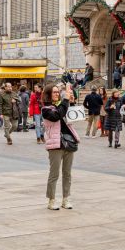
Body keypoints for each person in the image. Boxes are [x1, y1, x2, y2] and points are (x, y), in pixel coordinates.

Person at [42, 82, 79, 210]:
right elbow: (57, 115)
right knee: (54, 174)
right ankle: (51, 200)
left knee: (67, 173)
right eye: (54, 92)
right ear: (48, 94)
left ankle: (66, 198)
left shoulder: (62, 105)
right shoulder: (46, 109)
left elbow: (69, 115)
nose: (57, 94)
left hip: (68, 142)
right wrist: (66, 100)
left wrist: (71, 102)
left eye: (58, 91)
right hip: (55, 145)